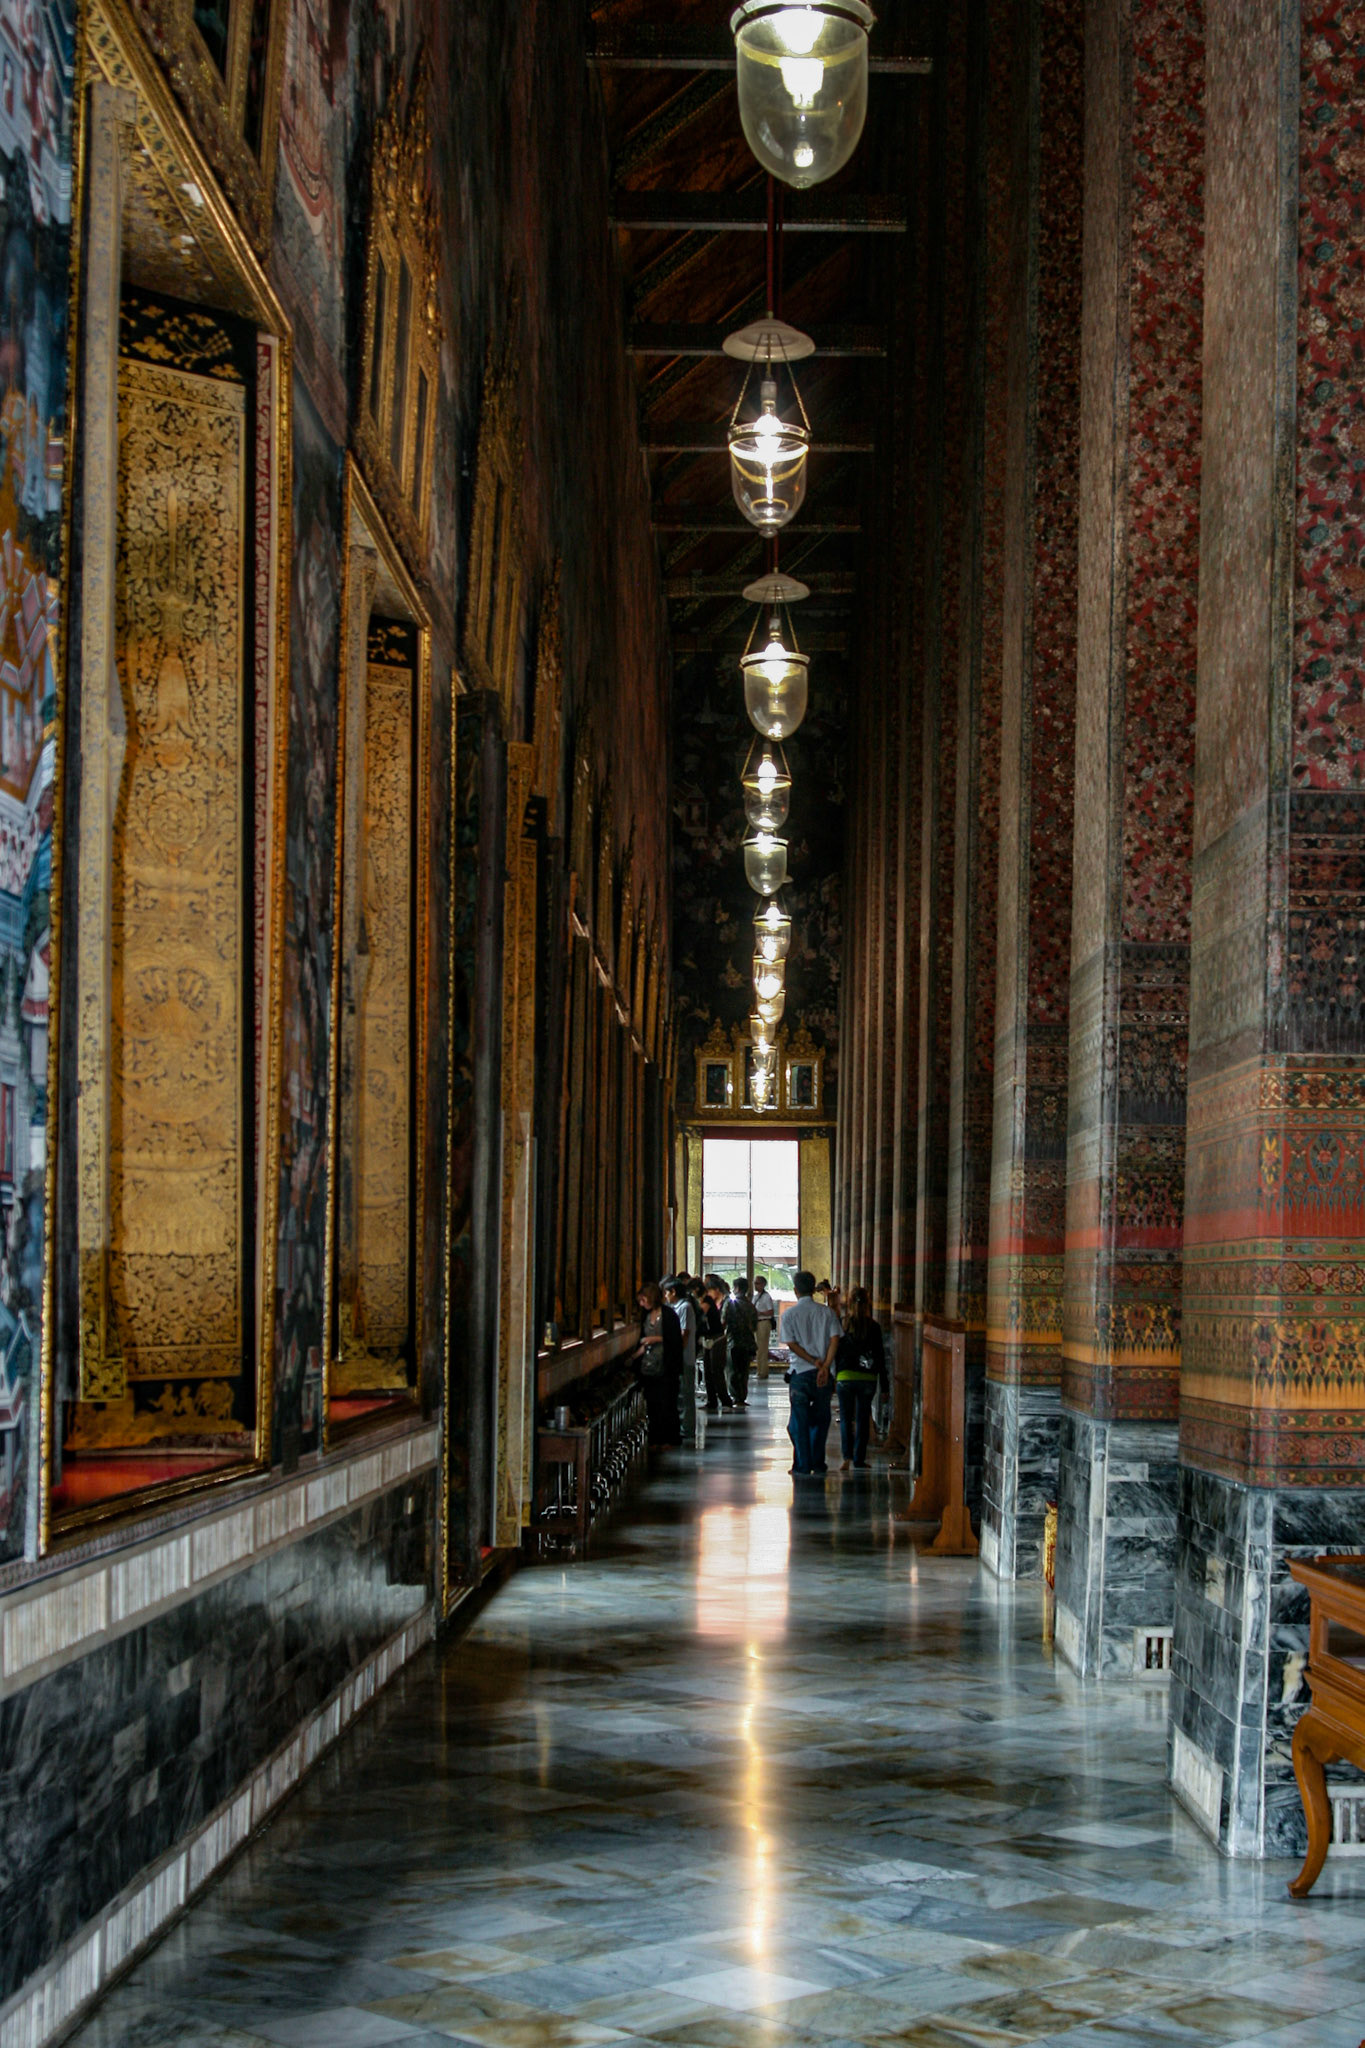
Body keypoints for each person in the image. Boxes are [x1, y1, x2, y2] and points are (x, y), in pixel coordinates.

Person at [779, 1270, 841, 1476]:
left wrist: (812, 1361)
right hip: (823, 1375)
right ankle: (818, 1462)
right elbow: (834, 1340)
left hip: (800, 1373)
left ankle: (803, 1465)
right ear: (813, 1290)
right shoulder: (827, 1313)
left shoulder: (789, 1314)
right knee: (822, 1419)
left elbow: (791, 1344)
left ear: (795, 1290)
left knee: (800, 1420)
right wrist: (824, 1366)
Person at [834, 1286, 887, 1471]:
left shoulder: (842, 1324)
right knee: (863, 1419)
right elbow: (880, 1358)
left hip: (845, 1377)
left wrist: (834, 1376)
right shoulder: (874, 1327)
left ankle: (846, 1457)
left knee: (846, 1418)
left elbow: (835, 1352)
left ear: (848, 1303)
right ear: (868, 1304)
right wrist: (885, 1387)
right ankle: (859, 1459)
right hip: (867, 1379)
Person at [635, 1281, 682, 1447]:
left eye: (643, 1300)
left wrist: (654, 1339)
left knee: (667, 1403)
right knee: (653, 1404)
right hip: (649, 1366)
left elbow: (675, 1340)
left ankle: (670, 1438)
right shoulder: (645, 1316)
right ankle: (655, 1438)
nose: (641, 1304)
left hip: (666, 1365)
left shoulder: (669, 1315)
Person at [664, 1276, 698, 1443]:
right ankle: (683, 1426)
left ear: (674, 1292)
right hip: (680, 1357)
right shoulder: (676, 1307)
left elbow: (684, 1334)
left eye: (667, 1293)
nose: (665, 1296)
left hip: (684, 1358)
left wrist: (675, 1353)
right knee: (680, 1394)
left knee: (686, 1395)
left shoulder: (685, 1307)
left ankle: (688, 1429)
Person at [722, 1275, 758, 1409]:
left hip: (733, 1341)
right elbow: (754, 1326)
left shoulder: (729, 1303)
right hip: (748, 1342)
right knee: (744, 1371)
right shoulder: (751, 1305)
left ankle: (735, 1397)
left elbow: (723, 1322)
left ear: (736, 1288)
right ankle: (742, 1397)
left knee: (732, 1371)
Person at [701, 1276, 731, 1413]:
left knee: (716, 1370)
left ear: (716, 1290)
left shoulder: (725, 1302)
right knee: (708, 1370)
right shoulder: (711, 1301)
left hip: (718, 1338)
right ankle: (711, 1400)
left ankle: (725, 1400)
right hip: (708, 1338)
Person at [752, 1273, 776, 1379]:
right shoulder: (755, 1296)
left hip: (764, 1322)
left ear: (762, 1284)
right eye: (754, 1283)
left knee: (762, 1348)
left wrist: (760, 1313)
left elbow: (771, 1311)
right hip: (757, 1323)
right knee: (758, 1348)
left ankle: (763, 1371)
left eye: (757, 1283)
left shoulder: (766, 1297)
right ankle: (759, 1370)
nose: (755, 1285)